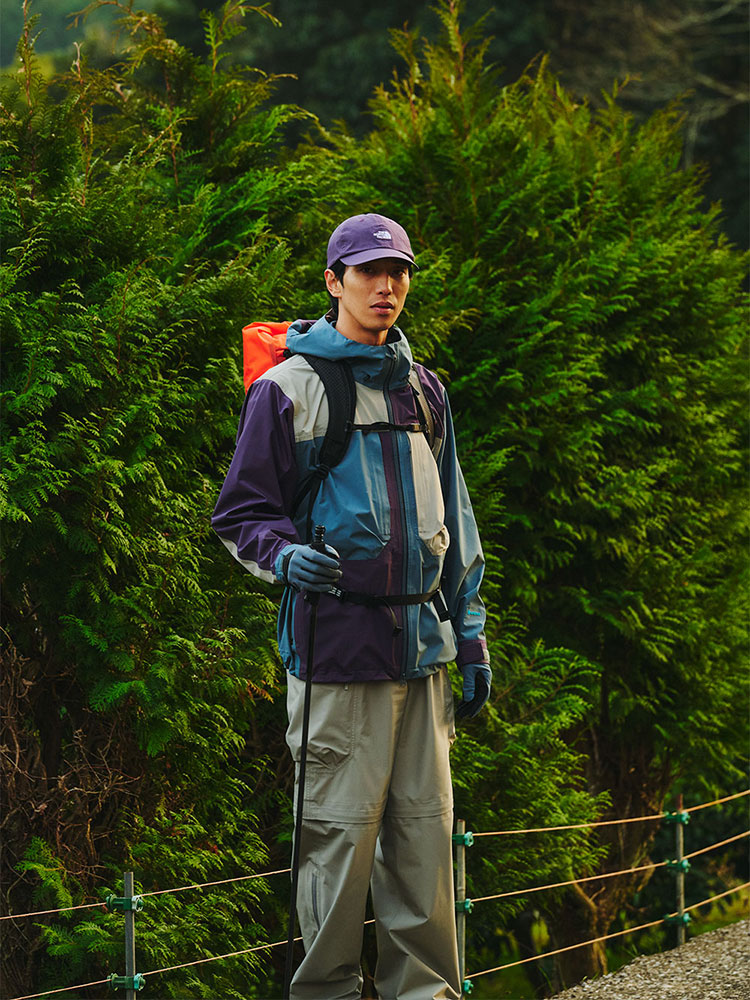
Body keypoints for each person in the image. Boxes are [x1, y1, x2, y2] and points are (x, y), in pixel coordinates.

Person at [212, 213, 491, 1000]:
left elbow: (457, 522)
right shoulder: (286, 390)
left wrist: (471, 635)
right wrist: (284, 556)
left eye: (398, 272)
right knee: (337, 853)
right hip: (336, 653)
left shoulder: (424, 391)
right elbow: (241, 513)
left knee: (424, 850)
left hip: (423, 652)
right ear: (334, 282)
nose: (386, 286)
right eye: (369, 272)